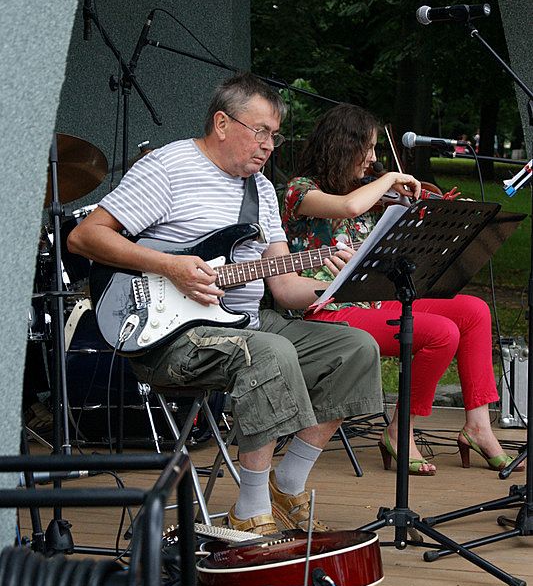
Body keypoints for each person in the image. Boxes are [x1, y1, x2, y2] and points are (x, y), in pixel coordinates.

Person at [67, 73, 383, 534]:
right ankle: (252, 510)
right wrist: (172, 266)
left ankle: (287, 486)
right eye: (261, 132)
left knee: (355, 349)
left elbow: (286, 288)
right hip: (169, 336)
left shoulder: (263, 192)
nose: (269, 145)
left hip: (245, 322)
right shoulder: (168, 167)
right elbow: (84, 236)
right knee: (269, 352)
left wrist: (341, 281)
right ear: (221, 122)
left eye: (274, 136)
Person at [282, 103, 523, 476]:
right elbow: (348, 206)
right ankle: (400, 430)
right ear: (344, 146)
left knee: (474, 311)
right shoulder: (301, 192)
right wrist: (390, 177)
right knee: (441, 333)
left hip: (374, 300)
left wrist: (444, 216)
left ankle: (478, 426)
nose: (373, 159)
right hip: (326, 308)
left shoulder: (371, 197)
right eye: (369, 149)